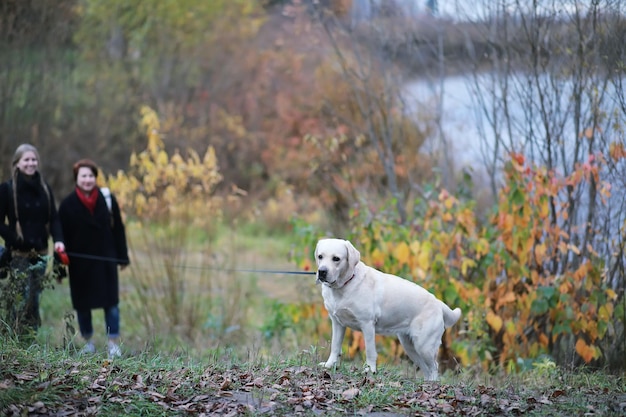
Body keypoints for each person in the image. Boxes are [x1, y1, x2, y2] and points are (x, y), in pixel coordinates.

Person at [58, 159, 130, 358]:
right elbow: (59, 237)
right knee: (83, 305)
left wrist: (122, 258)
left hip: (106, 260)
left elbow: (119, 230)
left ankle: (113, 343)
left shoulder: (107, 199)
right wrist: (59, 268)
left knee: (111, 304)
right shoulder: (66, 205)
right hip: (80, 264)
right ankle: (88, 341)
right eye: (83, 176)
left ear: (95, 177)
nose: (88, 179)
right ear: (76, 179)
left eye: (91, 175)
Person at [0, 144, 65, 334]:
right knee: (20, 297)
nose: (31, 163)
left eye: (34, 159)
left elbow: (54, 218)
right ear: (17, 163)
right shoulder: (6, 189)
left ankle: (30, 337)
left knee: (34, 298)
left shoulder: (45, 188)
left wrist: (58, 239)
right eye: (26, 160)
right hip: (18, 254)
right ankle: (14, 337)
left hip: (41, 253)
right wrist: (15, 239)